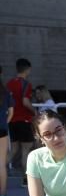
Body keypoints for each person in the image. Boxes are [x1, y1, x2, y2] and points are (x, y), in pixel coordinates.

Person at [7, 58, 35, 187]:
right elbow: (25, 102)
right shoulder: (26, 84)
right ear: (28, 69)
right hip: (24, 120)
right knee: (26, 151)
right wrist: (35, 111)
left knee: (13, 150)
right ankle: (25, 180)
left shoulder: (9, 83)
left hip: (12, 120)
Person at [0, 73, 14, 196]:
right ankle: (2, 195)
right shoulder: (6, 92)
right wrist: (5, 122)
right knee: (1, 163)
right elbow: (11, 112)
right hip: (2, 129)